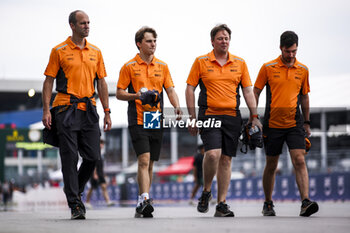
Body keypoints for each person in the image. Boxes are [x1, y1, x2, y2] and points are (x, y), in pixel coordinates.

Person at [185, 24, 261, 217]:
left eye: (226, 38)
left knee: (226, 160)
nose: (224, 41)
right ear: (212, 41)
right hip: (209, 115)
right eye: (220, 38)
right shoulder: (201, 62)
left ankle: (221, 204)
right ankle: (206, 191)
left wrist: (254, 117)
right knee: (212, 154)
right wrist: (192, 117)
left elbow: (247, 91)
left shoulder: (240, 63)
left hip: (232, 117)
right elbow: (190, 89)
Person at [42, 10, 111, 220]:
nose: (87, 26)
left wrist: (107, 111)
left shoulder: (96, 51)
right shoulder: (59, 50)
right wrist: (46, 110)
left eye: (88, 23)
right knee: (70, 157)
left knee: (93, 157)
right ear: (72, 25)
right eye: (83, 23)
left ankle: (75, 191)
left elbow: (101, 82)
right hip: (65, 109)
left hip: (89, 109)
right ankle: (75, 204)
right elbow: (48, 81)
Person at [116, 26, 182, 218]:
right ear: (139, 44)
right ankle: (145, 199)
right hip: (137, 117)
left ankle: (142, 200)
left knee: (151, 163)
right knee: (143, 160)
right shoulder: (128, 66)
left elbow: (170, 90)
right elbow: (120, 93)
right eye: (149, 41)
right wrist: (136, 95)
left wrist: (177, 106)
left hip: (155, 117)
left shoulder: (162, 66)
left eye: (154, 41)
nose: (153, 44)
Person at [254, 31, 318, 217]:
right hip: (272, 123)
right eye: (288, 51)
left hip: (294, 123)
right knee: (272, 164)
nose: (291, 55)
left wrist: (306, 122)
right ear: (280, 48)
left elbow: (305, 97)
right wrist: (254, 116)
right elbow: (256, 92)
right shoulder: (268, 67)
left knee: (299, 160)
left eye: (294, 51)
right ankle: (267, 203)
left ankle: (305, 201)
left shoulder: (303, 69)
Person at [85, 139, 115, 208]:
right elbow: (94, 164)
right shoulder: (95, 152)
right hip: (95, 173)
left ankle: (108, 201)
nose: (102, 145)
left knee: (104, 187)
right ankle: (87, 202)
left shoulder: (101, 154)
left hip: (100, 173)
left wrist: (103, 174)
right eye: (100, 143)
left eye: (102, 144)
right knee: (92, 187)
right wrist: (95, 174)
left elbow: (101, 165)